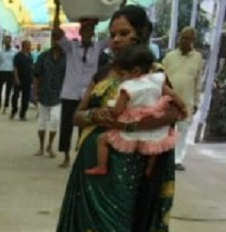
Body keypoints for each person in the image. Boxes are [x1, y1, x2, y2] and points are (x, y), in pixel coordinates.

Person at [26, 5, 184, 232]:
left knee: (114, 223)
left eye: (124, 33)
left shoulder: (153, 73)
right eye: (112, 34)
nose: (117, 40)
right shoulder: (103, 72)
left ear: (141, 34)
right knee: (83, 220)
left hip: (127, 164)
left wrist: (128, 125)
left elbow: (173, 113)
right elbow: (78, 116)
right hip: (91, 158)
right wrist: (97, 115)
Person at [85, 45, 178, 178]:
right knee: (153, 148)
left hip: (129, 127)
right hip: (153, 123)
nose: (120, 78)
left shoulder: (127, 86)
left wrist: (106, 110)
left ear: (135, 70)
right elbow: (174, 96)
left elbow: (117, 111)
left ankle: (101, 166)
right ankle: (149, 169)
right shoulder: (157, 79)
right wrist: (184, 107)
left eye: (122, 74)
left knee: (102, 140)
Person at [57, 19, 108, 168]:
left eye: (90, 31)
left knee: (85, 126)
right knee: (66, 126)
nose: (87, 33)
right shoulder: (71, 47)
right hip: (70, 93)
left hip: (87, 94)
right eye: (84, 31)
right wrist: (58, 7)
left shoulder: (98, 47)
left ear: (93, 33)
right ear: (80, 33)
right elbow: (57, 33)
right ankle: (66, 156)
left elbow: (112, 36)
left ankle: (81, 155)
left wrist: (120, 8)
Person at [162, 27, 203, 171]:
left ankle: (177, 160)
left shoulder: (198, 58)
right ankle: (163, 158)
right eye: (182, 37)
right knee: (166, 130)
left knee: (182, 131)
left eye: (187, 38)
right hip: (168, 101)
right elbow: (162, 78)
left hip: (187, 102)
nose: (183, 41)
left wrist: (197, 102)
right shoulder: (170, 56)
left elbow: (198, 82)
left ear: (192, 41)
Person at [33, 30, 66, 157]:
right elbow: (37, 75)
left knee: (55, 120)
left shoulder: (67, 57)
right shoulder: (43, 56)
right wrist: (35, 93)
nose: (57, 41)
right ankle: (41, 146)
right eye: (55, 38)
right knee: (42, 121)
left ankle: (50, 146)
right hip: (44, 93)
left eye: (59, 38)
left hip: (59, 94)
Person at [11, 40, 34, 120]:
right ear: (24, 46)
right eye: (29, 45)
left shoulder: (30, 55)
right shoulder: (18, 56)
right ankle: (14, 110)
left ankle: (23, 114)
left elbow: (31, 67)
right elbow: (15, 67)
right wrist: (16, 78)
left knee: (26, 97)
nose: (30, 47)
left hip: (28, 80)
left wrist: (33, 78)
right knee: (15, 96)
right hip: (19, 79)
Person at [0, 35, 16, 113]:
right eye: (5, 41)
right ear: (4, 42)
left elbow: (16, 63)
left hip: (10, 72)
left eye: (8, 41)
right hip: (2, 71)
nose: (7, 42)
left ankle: (6, 106)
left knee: (8, 90)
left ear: (10, 42)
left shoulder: (15, 51)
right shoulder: (0, 51)